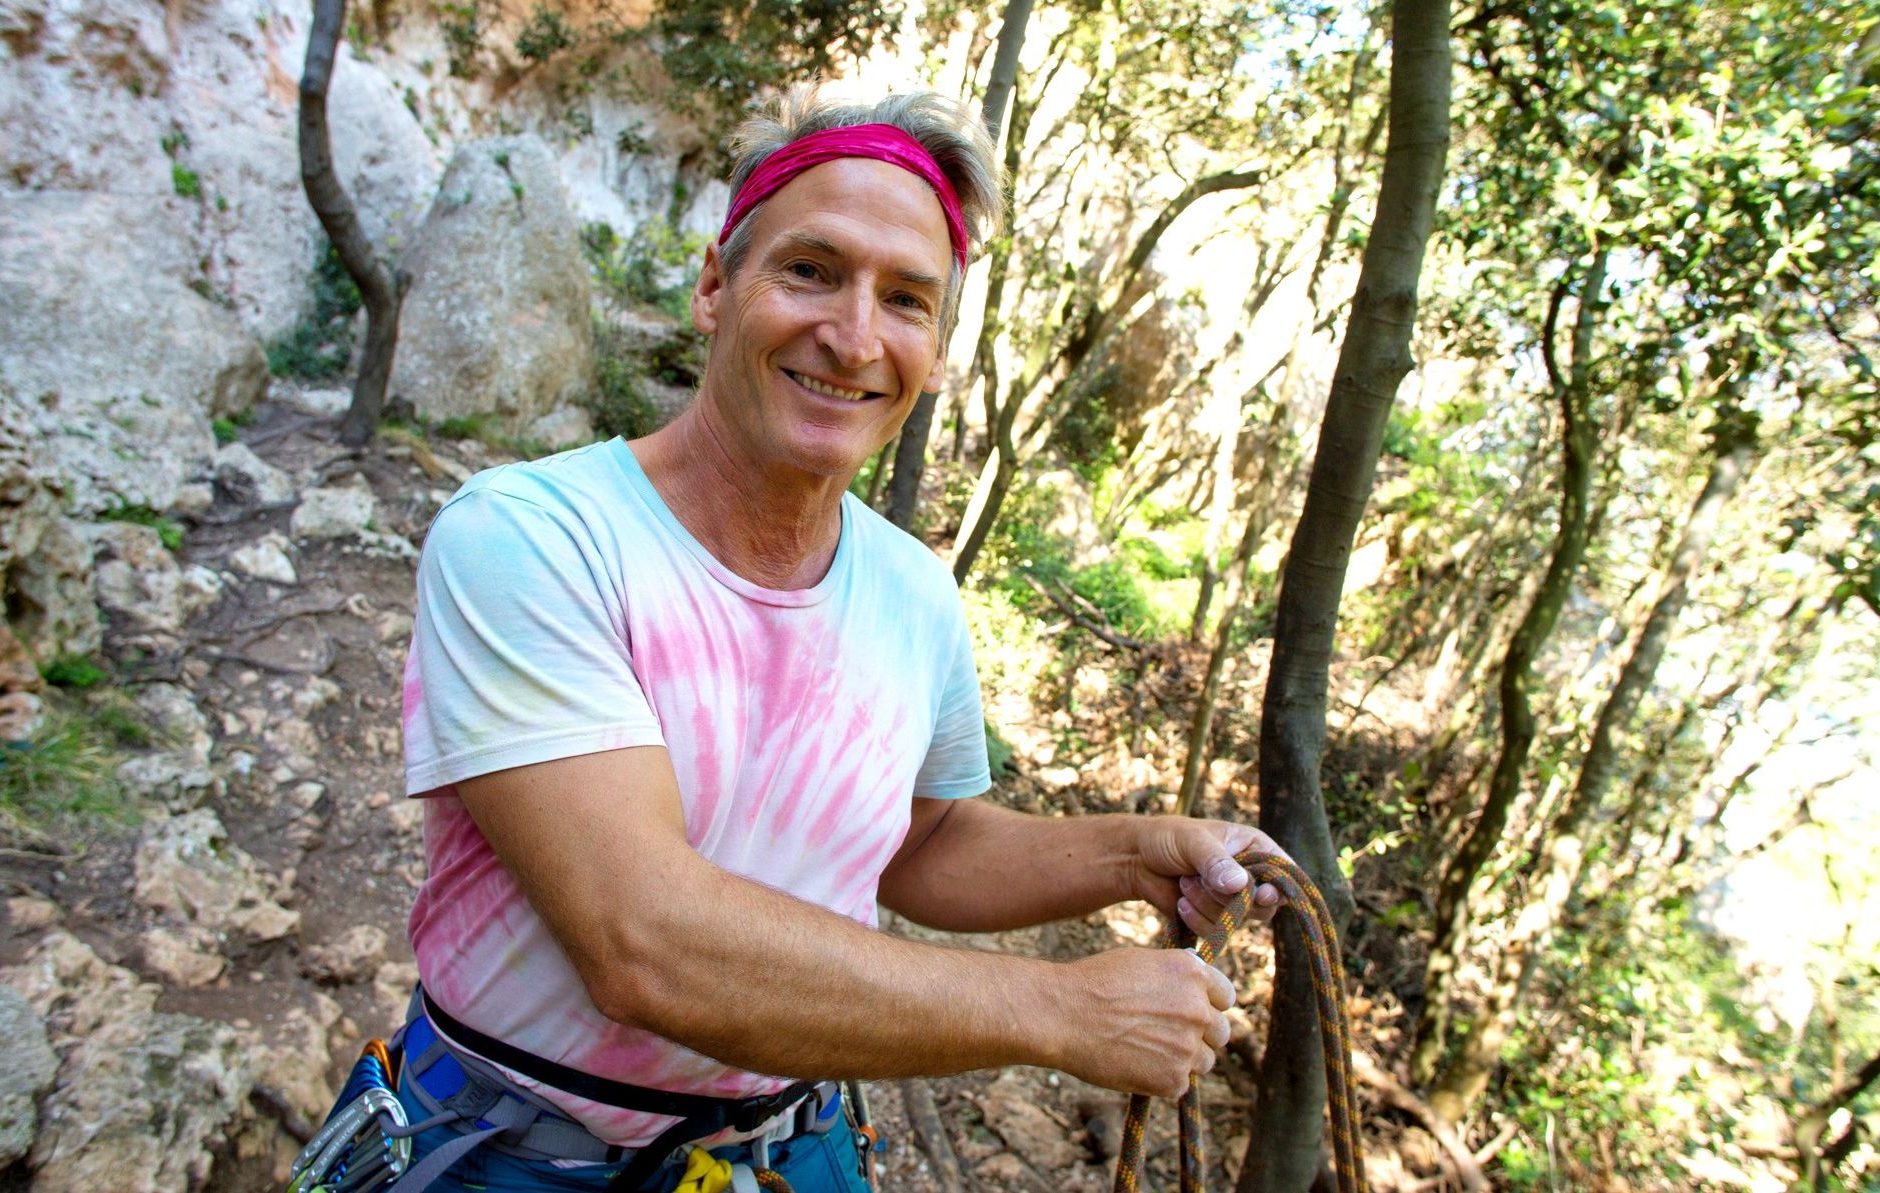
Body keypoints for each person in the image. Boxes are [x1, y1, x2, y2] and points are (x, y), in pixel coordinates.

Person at [384, 85, 1290, 1193]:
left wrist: (1132, 852)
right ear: (717, 284)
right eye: (810, 270)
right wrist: (1054, 1007)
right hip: (511, 1148)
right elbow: (642, 940)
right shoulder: (534, 538)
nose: (854, 335)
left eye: (906, 299)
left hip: (786, 1151)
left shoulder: (911, 590)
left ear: (938, 350)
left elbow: (920, 842)